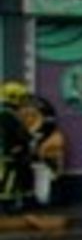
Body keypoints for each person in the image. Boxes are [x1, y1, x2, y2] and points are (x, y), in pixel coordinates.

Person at [0, 81, 34, 211]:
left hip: (17, 153)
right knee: (10, 178)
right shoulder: (6, 116)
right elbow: (14, 135)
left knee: (22, 177)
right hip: (11, 154)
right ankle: (6, 204)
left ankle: (25, 201)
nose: (23, 102)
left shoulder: (10, 115)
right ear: (13, 98)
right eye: (22, 98)